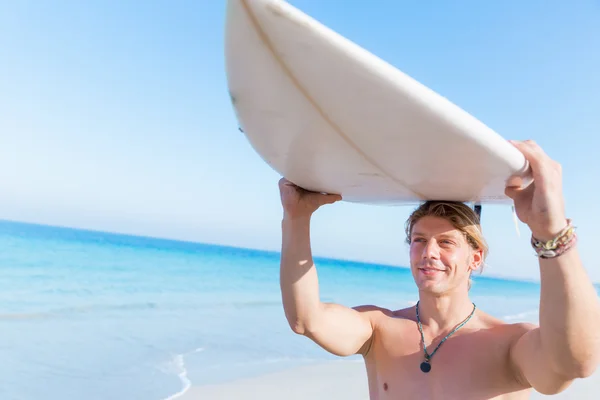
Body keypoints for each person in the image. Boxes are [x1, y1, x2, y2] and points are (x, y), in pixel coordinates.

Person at [278, 140, 600, 399]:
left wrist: (550, 233)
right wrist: (296, 218)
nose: (429, 252)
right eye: (419, 240)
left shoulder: (508, 345)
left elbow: (576, 362)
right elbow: (306, 319)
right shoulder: (378, 330)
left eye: (446, 243)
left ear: (475, 258)